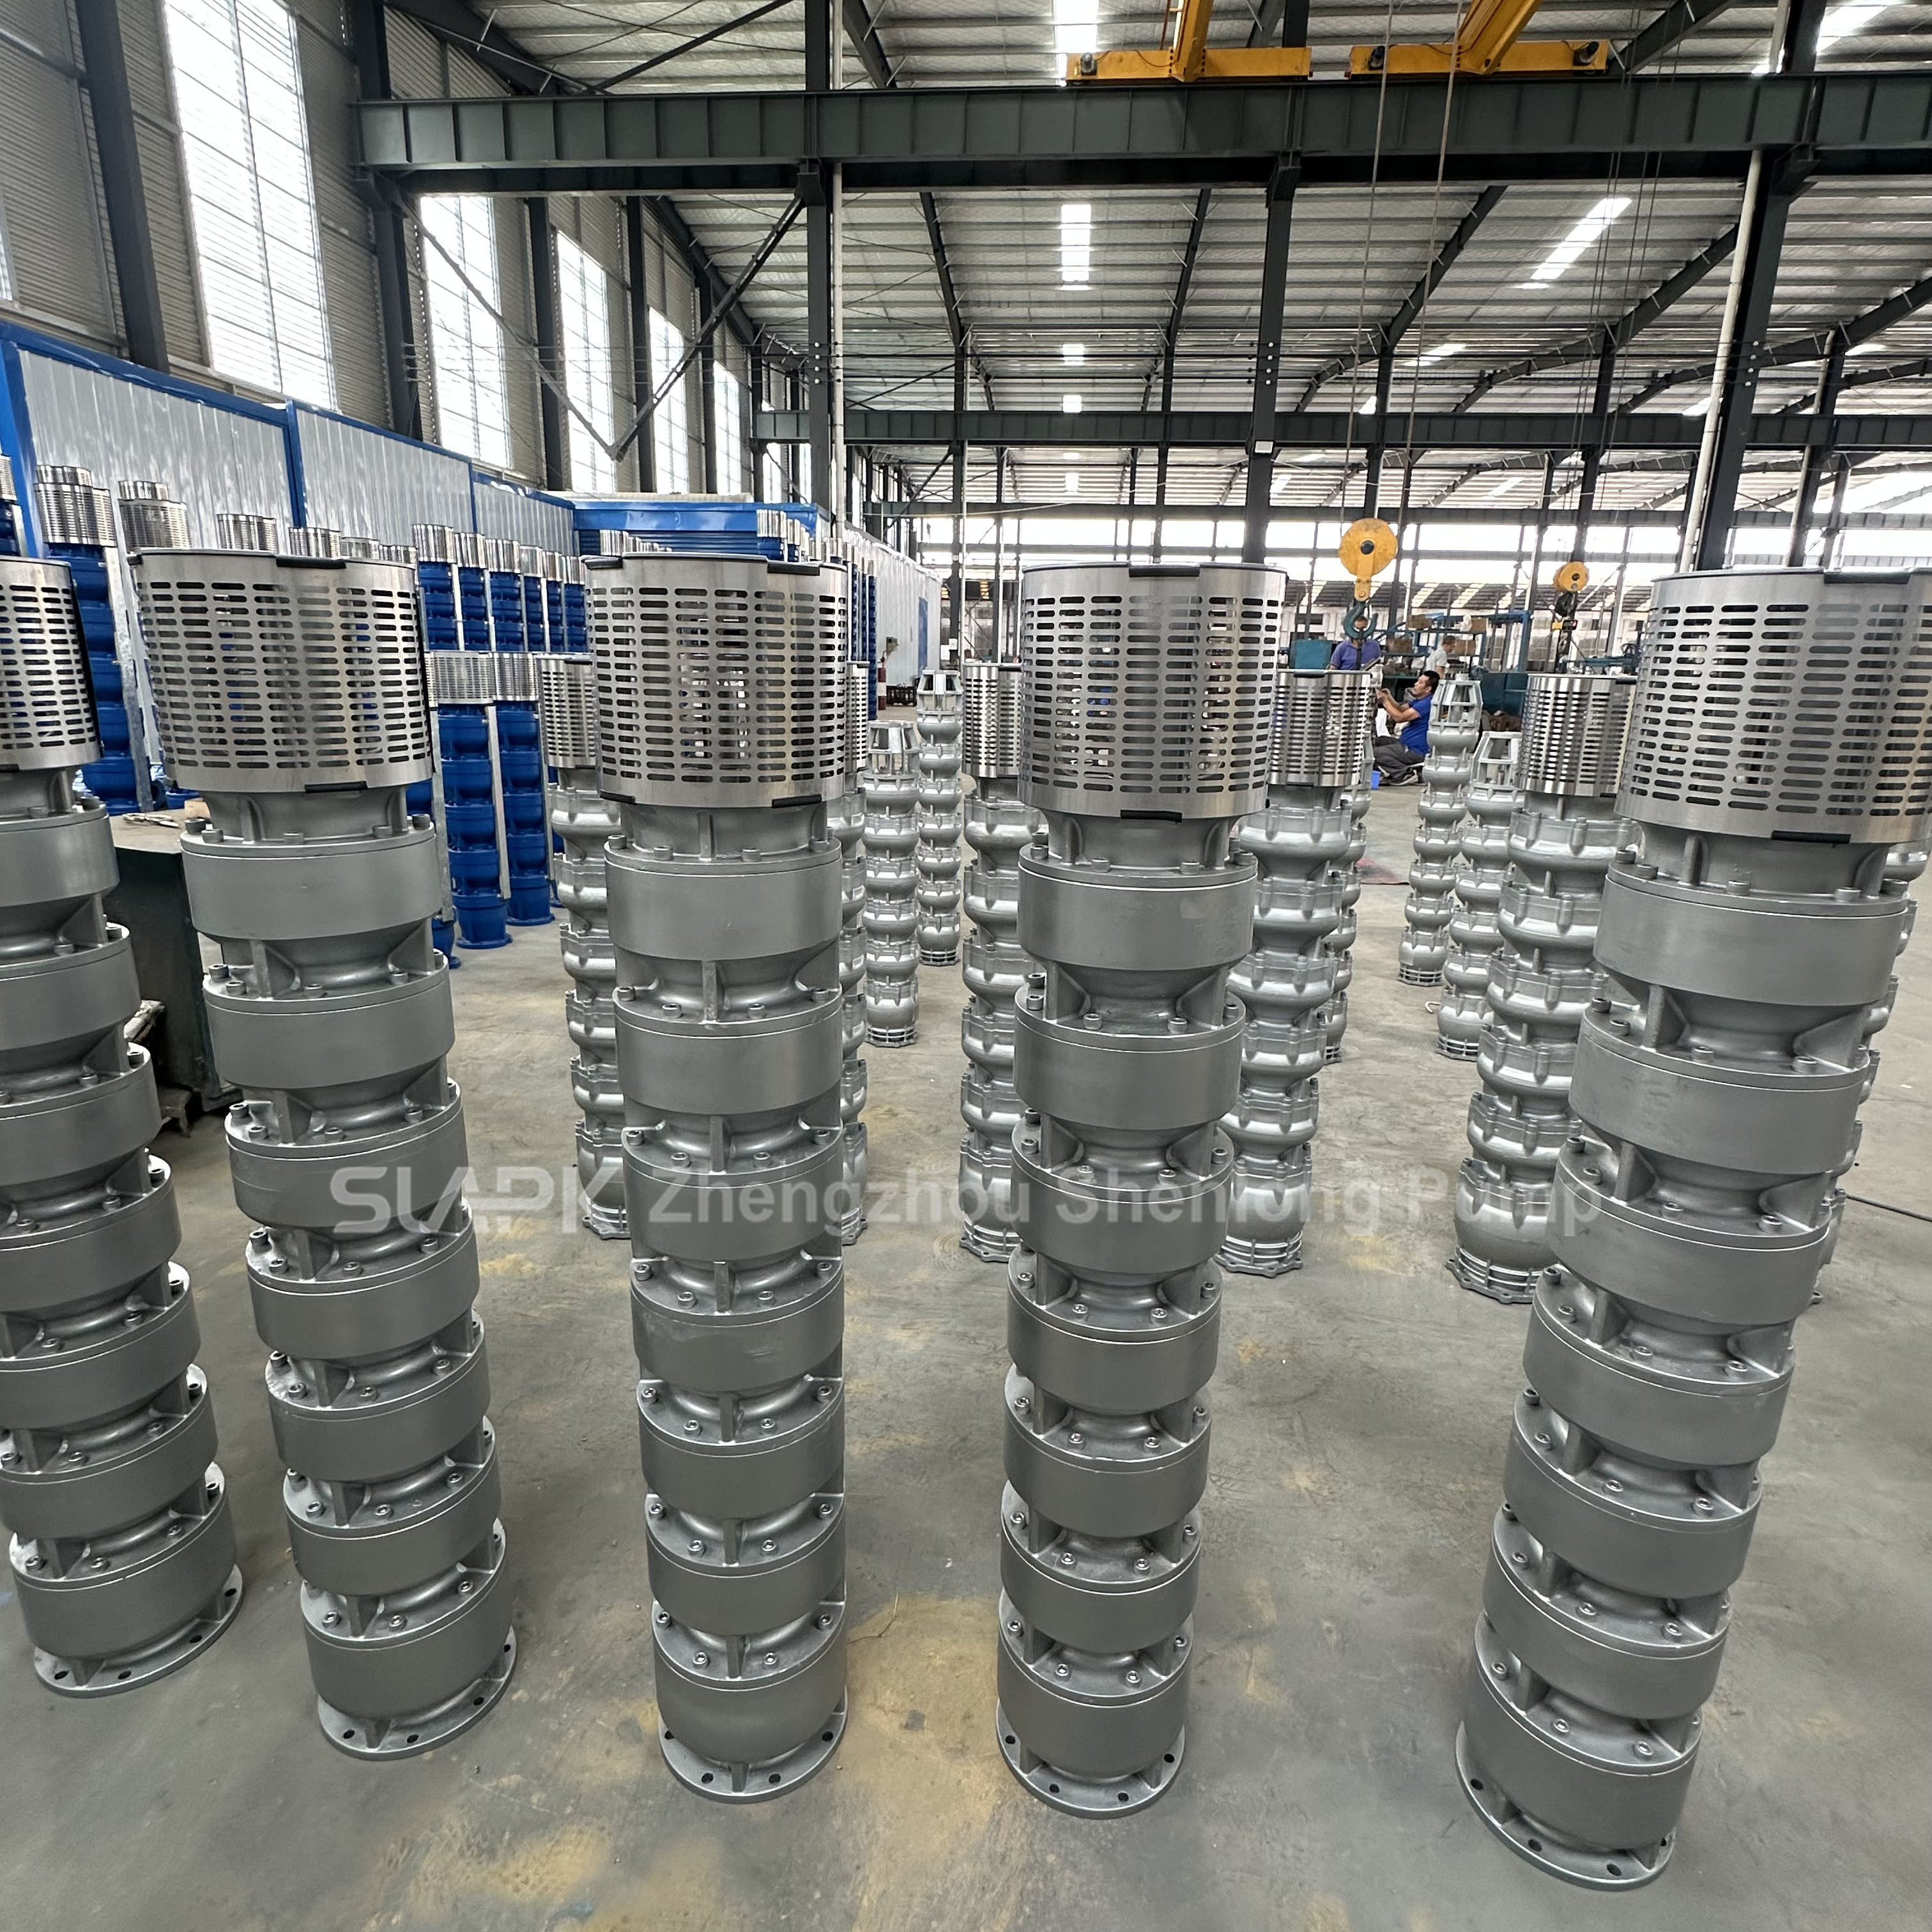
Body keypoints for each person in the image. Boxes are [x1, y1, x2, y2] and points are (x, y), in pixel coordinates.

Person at [1374, 671, 1436, 783]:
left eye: (1420, 683)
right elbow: (1400, 708)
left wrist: (1385, 701)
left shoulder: (1426, 704)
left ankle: (1404, 773)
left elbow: (1400, 718)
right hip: (1405, 743)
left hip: (1415, 751)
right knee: (1378, 741)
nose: (1415, 684)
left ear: (1428, 689)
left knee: (1374, 753)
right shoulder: (1420, 701)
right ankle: (1388, 770)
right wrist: (1389, 697)